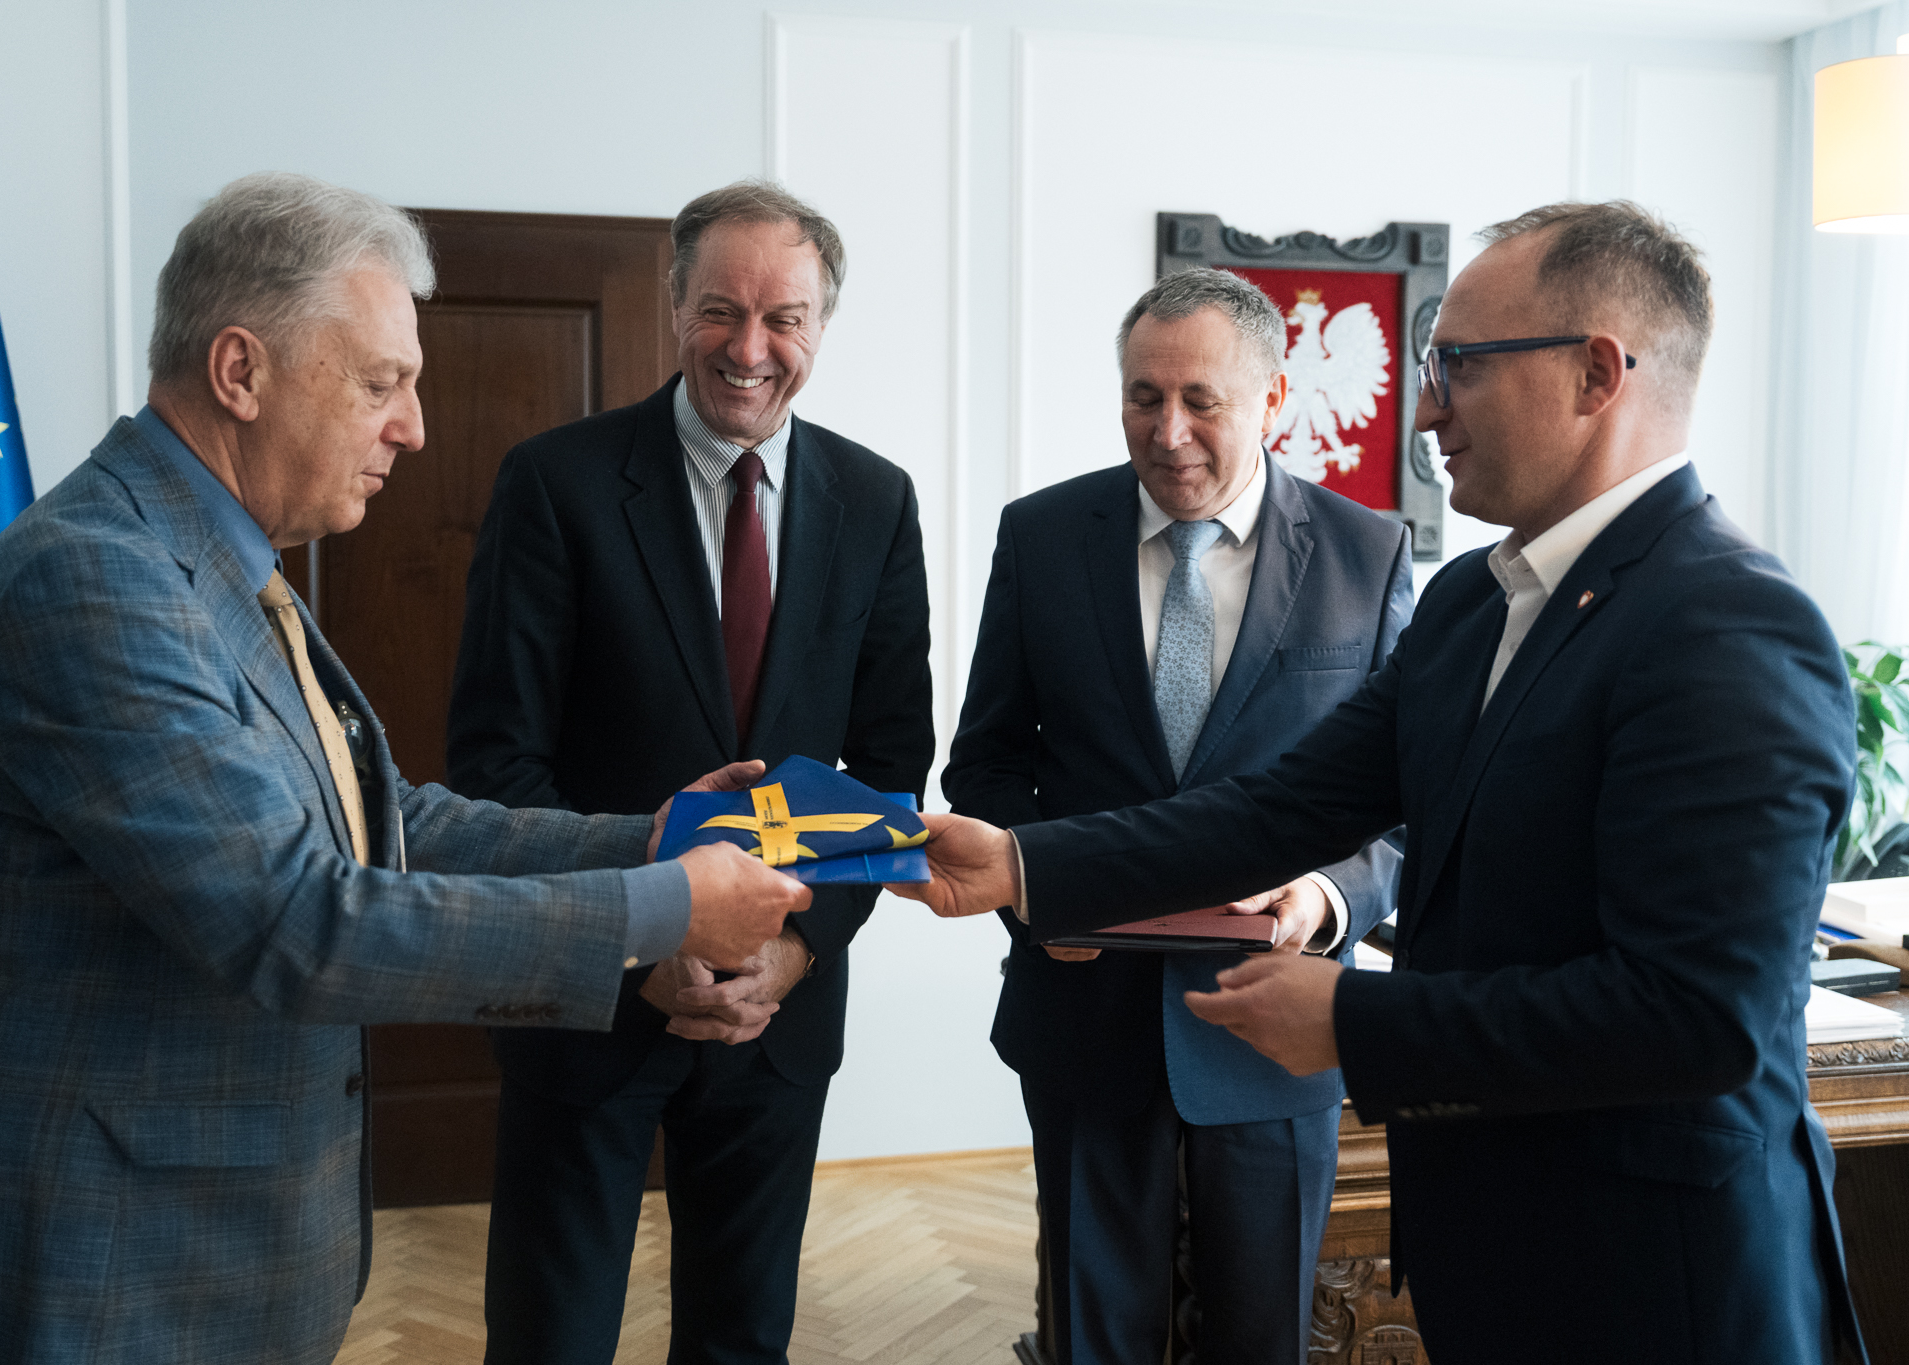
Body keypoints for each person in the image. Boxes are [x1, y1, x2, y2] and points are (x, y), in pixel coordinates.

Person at [0, 172, 810, 1365]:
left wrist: (654, 835)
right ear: (240, 372)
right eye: (379, 383)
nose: (412, 426)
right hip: (88, 1277)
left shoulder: (222, 558)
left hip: (206, 1265)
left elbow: (382, 821)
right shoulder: (94, 581)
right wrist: (663, 906)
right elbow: (297, 921)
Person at [897, 202, 1868, 1365]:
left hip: (1657, 1274)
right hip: (1484, 1241)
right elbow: (1279, 810)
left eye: (1457, 366)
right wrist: (1021, 864)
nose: (1422, 412)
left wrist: (1350, 1019)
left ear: (1595, 374)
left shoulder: (1731, 625)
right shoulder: (1469, 605)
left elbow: (1695, 1018)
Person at [445, 179, 932, 1364]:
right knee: (550, 1341)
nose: (749, 349)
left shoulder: (875, 500)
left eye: (783, 319)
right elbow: (495, 760)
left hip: (777, 1012)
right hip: (589, 1001)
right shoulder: (556, 483)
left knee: (741, 1341)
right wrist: (641, 937)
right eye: (721, 310)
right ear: (675, 308)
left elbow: (889, 767)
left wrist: (795, 950)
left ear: (820, 326)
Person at [942, 267, 1408, 1364]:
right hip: (1082, 1012)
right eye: (1143, 397)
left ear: (1274, 398)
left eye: (1202, 400)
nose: (1168, 432)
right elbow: (988, 763)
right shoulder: (1043, 536)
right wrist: (1037, 895)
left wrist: (1326, 895)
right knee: (1091, 1338)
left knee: (1262, 1339)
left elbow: (1411, 800)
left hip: (1277, 1026)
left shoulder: (1367, 552)